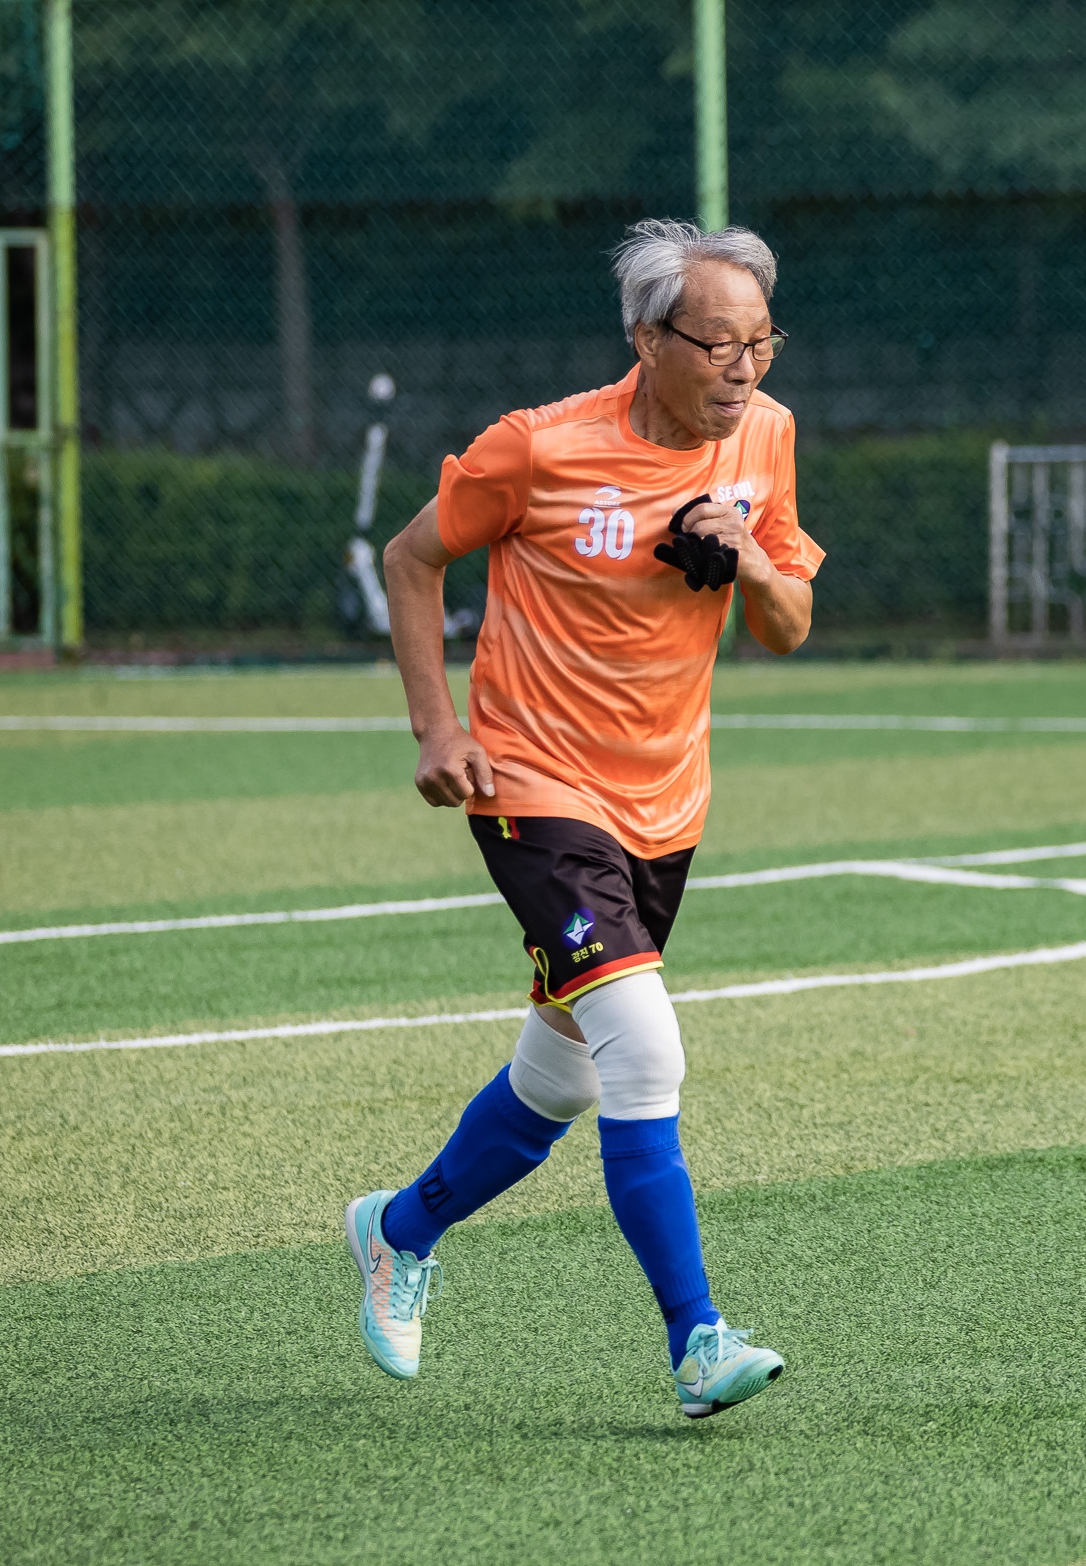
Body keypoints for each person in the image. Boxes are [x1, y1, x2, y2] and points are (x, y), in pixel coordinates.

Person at [346, 219, 824, 1419]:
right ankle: (697, 1338)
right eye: (716, 343)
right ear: (645, 338)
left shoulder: (766, 437)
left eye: (760, 341)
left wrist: (750, 565)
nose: (742, 368)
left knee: (558, 1075)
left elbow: (790, 622)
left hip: (667, 804)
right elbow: (412, 560)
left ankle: (397, 1230)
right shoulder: (539, 448)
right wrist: (436, 728)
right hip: (534, 788)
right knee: (646, 1050)